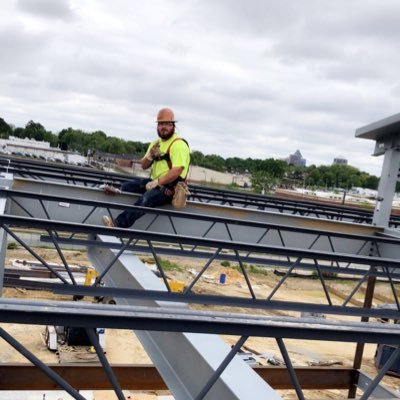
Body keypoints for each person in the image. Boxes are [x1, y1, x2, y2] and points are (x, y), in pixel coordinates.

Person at [102, 107, 190, 228]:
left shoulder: (178, 145)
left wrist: (158, 182)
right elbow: (144, 166)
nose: (163, 127)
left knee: (146, 199)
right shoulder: (155, 144)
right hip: (154, 182)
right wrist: (150, 156)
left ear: (173, 126)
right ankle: (111, 192)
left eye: (166, 124)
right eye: (160, 124)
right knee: (127, 187)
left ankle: (117, 224)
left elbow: (177, 170)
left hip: (170, 189)